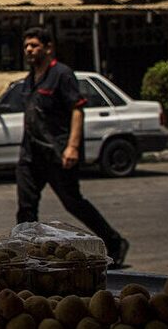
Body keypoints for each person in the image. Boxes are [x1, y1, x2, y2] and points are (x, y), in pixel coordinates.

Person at [15, 27, 129, 268]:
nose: (29, 50)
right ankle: (26, 254)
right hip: (30, 154)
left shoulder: (62, 74)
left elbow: (77, 110)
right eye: (26, 46)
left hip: (57, 152)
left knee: (73, 202)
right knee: (26, 207)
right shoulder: (30, 78)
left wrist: (72, 147)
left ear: (48, 47)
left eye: (34, 45)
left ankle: (114, 241)